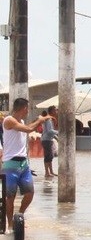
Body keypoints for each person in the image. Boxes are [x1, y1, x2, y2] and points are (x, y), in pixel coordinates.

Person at [2, 98, 52, 230]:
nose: (27, 111)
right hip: (10, 164)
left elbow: (27, 130)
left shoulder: (22, 121)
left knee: (29, 193)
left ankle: (19, 216)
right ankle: (11, 225)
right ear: (23, 108)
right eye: (27, 108)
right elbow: (29, 129)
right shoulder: (9, 120)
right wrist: (40, 120)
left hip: (23, 163)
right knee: (10, 196)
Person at [40, 105, 58, 179]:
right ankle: (47, 172)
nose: (56, 111)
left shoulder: (49, 119)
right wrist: (58, 132)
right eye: (55, 110)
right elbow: (49, 131)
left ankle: (51, 171)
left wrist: (56, 137)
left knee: (50, 156)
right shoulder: (48, 120)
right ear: (51, 111)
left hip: (48, 139)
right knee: (48, 156)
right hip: (46, 140)